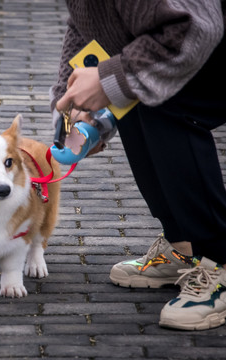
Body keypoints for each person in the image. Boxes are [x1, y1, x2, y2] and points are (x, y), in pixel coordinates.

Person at [50, 0, 226, 331]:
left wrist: (107, 81)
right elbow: (86, 23)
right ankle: (183, 245)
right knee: (130, 93)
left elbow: (194, 28)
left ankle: (220, 258)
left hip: (205, 38)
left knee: (165, 99)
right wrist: (69, 100)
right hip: (195, 39)